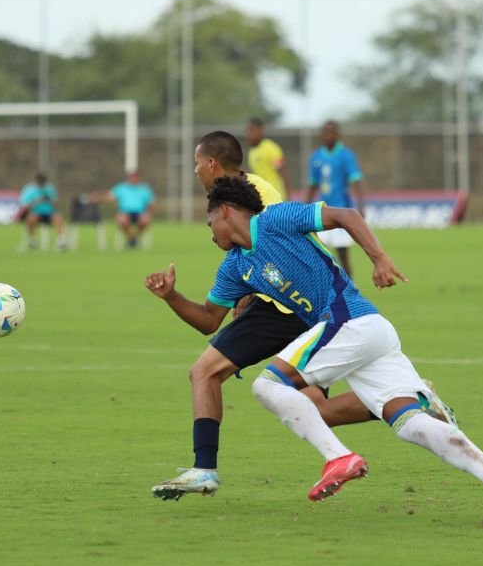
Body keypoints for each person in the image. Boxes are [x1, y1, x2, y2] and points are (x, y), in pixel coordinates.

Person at [144, 177, 483, 527]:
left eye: (209, 223)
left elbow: (346, 214)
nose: (209, 233)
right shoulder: (234, 267)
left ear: (225, 211)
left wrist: (379, 257)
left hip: (349, 322)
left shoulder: (277, 219)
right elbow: (210, 320)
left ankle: (338, 458)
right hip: (369, 332)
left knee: (267, 386)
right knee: (409, 423)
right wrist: (171, 296)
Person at [148, 131, 435, 502]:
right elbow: (216, 305)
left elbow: (274, 242)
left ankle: (205, 469)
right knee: (315, 409)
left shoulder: (259, 192)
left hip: (286, 309)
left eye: (196, 163)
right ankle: (409, 401)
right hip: (279, 305)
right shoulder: (229, 212)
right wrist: (177, 295)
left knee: (207, 372)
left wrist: (250, 292)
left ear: (212, 164)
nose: (195, 170)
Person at [304, 120, 364, 278]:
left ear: (338, 135)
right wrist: (303, 208)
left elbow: (356, 181)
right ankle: (322, 293)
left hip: (342, 210)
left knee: (343, 256)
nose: (328, 135)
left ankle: (350, 293)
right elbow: (313, 184)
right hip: (322, 212)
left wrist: (360, 205)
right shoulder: (316, 156)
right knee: (318, 256)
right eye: (325, 132)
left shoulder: (346, 155)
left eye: (331, 132)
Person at [99, 171, 154, 249]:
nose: (134, 179)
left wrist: (149, 213)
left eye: (136, 177)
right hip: (125, 212)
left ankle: (135, 237)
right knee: (122, 220)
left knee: (145, 220)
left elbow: (150, 203)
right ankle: (131, 237)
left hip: (141, 213)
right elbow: (110, 197)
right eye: (132, 177)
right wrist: (99, 197)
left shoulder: (145, 189)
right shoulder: (121, 187)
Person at [19, 172, 67, 251]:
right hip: (36, 212)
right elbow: (25, 205)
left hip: (49, 212)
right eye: (40, 182)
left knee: (58, 218)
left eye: (43, 182)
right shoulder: (29, 189)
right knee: (31, 219)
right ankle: (32, 240)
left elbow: (56, 202)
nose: (41, 184)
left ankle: (60, 240)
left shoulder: (50, 188)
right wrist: (36, 201)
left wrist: (49, 200)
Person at [245, 117, 289, 199]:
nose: (249, 134)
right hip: (262, 198)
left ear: (260, 130)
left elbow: (283, 174)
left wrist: (288, 198)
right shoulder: (251, 152)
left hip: (276, 197)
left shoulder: (271, 148)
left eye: (252, 130)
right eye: (247, 131)